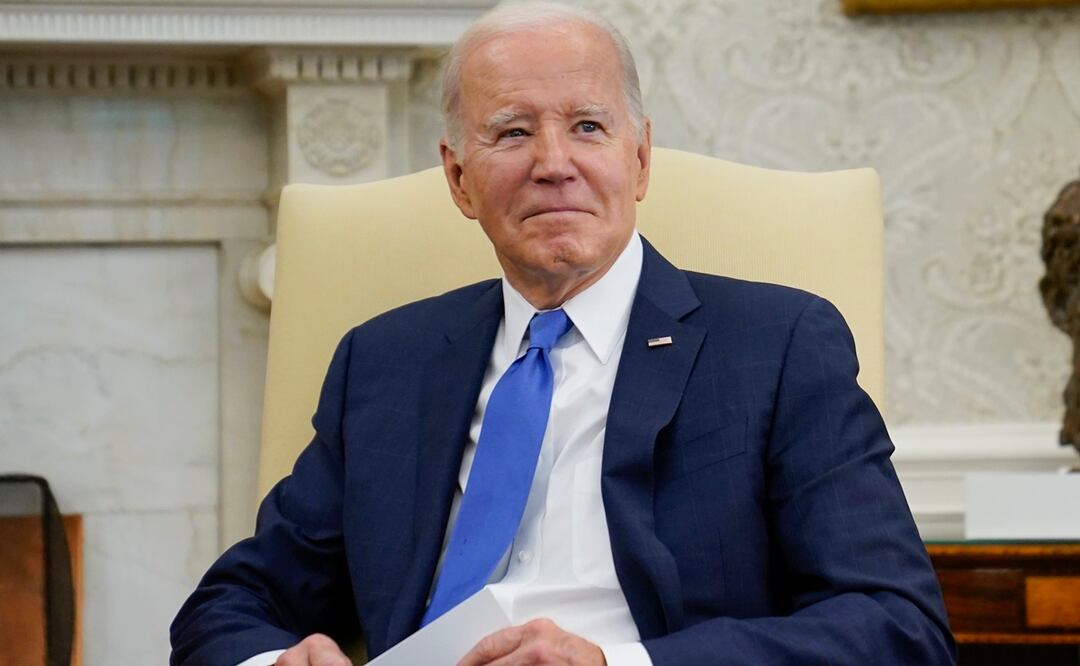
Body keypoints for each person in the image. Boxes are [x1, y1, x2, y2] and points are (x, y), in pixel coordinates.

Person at [171, 3, 956, 665]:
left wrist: (623, 665)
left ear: (640, 158)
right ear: (458, 177)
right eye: (511, 133)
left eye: (587, 126)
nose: (554, 163)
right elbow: (230, 605)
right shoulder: (384, 362)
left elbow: (897, 627)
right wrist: (274, 660)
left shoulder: (778, 346)